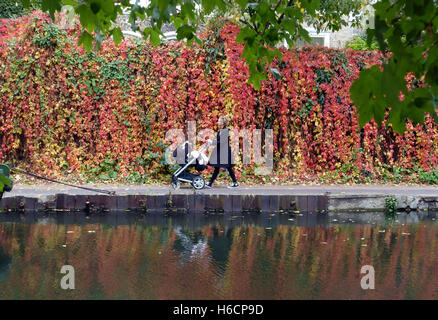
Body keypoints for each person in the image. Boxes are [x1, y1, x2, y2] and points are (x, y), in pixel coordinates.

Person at [206, 115, 239, 188]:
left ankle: (235, 183)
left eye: (219, 121)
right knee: (217, 167)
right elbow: (219, 141)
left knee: (228, 167)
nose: (218, 122)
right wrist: (211, 141)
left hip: (224, 152)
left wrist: (212, 142)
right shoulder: (221, 131)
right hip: (221, 151)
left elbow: (221, 142)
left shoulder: (225, 131)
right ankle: (210, 182)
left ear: (223, 123)